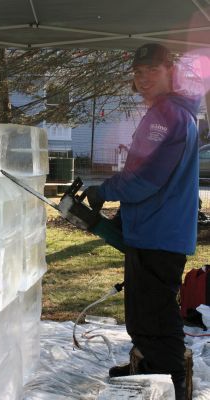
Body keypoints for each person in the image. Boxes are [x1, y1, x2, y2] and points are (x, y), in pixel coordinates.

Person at [84, 43, 200, 400]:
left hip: (158, 235)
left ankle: (171, 386)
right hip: (154, 228)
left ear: (170, 72)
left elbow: (148, 178)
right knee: (144, 311)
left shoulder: (167, 115)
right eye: (138, 72)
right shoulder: (173, 113)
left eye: (152, 70)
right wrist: (122, 216)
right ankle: (148, 368)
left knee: (155, 318)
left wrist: (105, 189)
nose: (144, 78)